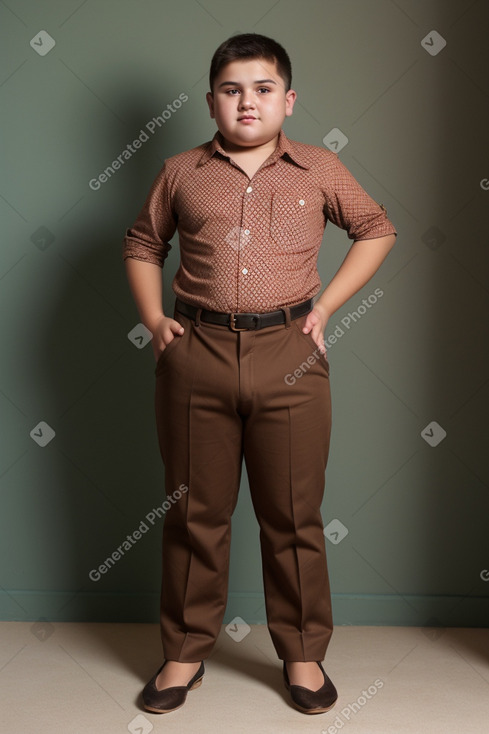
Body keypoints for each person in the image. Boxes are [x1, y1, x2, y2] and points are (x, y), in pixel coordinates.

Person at [122, 33, 397, 716]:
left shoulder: (318, 168)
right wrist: (156, 322)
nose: (247, 101)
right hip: (198, 355)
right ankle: (184, 653)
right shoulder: (180, 170)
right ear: (212, 100)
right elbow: (142, 244)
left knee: (293, 516)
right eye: (232, 89)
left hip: (289, 356)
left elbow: (376, 227)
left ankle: (301, 656)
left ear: (288, 99)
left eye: (263, 87)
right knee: (193, 513)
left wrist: (326, 306)